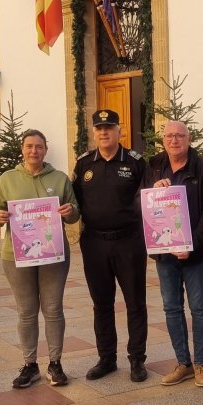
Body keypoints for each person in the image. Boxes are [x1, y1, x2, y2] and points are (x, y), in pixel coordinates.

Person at [0, 129, 80, 388]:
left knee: (53, 309)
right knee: (26, 312)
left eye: (39, 146)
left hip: (53, 255)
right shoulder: (8, 179)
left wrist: (70, 210)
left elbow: (75, 211)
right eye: (29, 146)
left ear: (45, 150)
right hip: (16, 256)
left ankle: (55, 363)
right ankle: (30, 365)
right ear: (22, 149)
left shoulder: (60, 179)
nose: (34, 151)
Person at [72, 109, 149, 383]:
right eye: (99, 128)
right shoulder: (84, 165)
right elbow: (75, 204)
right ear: (94, 132)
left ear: (119, 131)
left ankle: (137, 360)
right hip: (94, 244)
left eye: (109, 127)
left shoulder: (136, 162)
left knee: (135, 303)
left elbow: (150, 198)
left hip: (129, 242)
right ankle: (107, 359)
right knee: (101, 304)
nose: (104, 132)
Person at [149, 120, 203, 388]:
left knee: (199, 308)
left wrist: (192, 245)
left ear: (188, 139)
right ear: (163, 139)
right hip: (165, 254)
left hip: (196, 255)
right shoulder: (154, 167)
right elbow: (140, 202)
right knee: (171, 308)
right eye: (169, 136)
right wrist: (153, 191)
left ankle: (200, 364)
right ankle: (183, 363)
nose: (174, 140)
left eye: (180, 135)